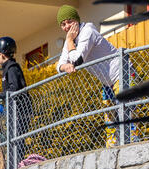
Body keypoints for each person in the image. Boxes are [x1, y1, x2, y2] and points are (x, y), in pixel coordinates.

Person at [56, 5, 136, 148]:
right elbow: (60, 64)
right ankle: (112, 149)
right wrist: (64, 66)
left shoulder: (88, 31)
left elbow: (77, 60)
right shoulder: (71, 39)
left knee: (126, 113)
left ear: (76, 20)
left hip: (121, 73)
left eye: (69, 21)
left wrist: (69, 42)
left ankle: (132, 145)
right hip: (107, 82)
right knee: (109, 118)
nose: (67, 26)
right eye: (63, 24)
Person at [0, 36, 31, 166]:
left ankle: (17, 164)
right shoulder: (8, 69)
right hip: (14, 110)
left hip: (20, 111)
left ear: (1, 55)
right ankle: (14, 164)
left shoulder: (12, 68)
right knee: (12, 139)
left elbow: (14, 89)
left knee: (17, 139)